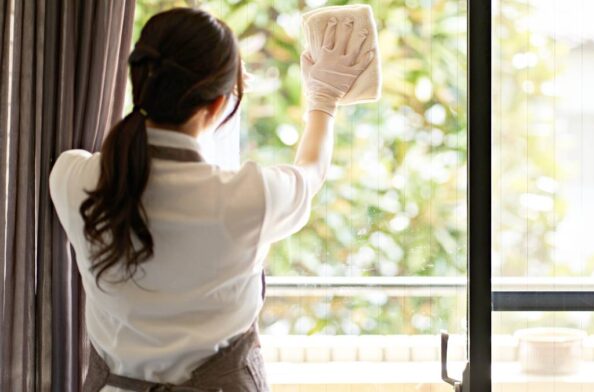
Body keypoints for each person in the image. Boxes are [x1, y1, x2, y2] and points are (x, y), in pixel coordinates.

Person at [48, 7, 374, 392]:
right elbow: (311, 170)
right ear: (218, 105)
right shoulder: (249, 198)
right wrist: (324, 98)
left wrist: (223, 105)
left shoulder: (72, 179)